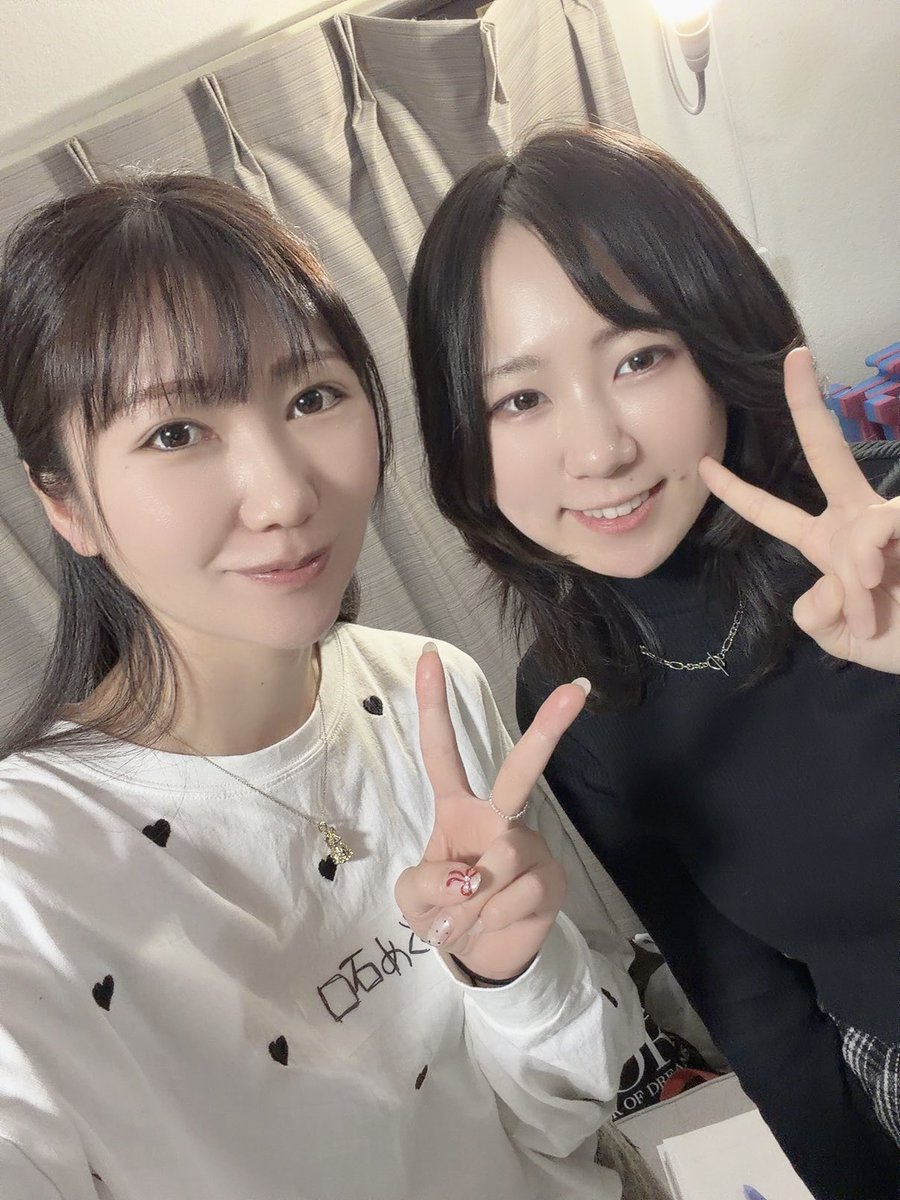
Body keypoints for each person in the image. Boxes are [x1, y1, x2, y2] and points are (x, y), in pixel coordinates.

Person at [0, 174, 650, 1200]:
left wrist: (514, 973)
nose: (285, 495)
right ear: (66, 504)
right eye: (175, 432)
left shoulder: (430, 691)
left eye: (311, 398)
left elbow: (563, 1120)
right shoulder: (25, 874)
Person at [406, 123, 900, 1198]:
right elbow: (756, 1010)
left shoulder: (889, 530)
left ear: (719, 341)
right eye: (520, 398)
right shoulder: (574, 696)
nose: (600, 451)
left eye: (637, 358)